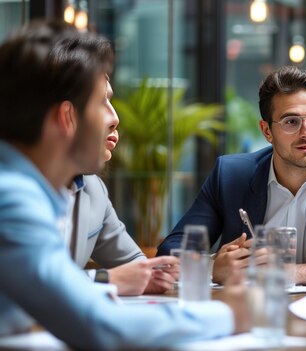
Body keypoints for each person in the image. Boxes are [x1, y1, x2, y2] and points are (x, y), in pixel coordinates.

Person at [0, 20, 249, 349]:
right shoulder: (12, 197)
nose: (115, 117)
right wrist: (227, 313)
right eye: (102, 101)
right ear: (66, 118)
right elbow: (99, 326)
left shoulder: (38, 188)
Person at [157, 66, 306, 287]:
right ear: (266, 131)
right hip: (245, 313)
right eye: (291, 121)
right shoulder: (230, 175)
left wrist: (294, 273)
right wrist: (211, 268)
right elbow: (169, 254)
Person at [67, 78, 177, 295]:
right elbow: (26, 285)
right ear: (63, 114)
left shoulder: (92, 188)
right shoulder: (15, 190)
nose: (115, 118)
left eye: (110, 100)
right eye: (100, 102)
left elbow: (138, 267)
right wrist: (105, 279)